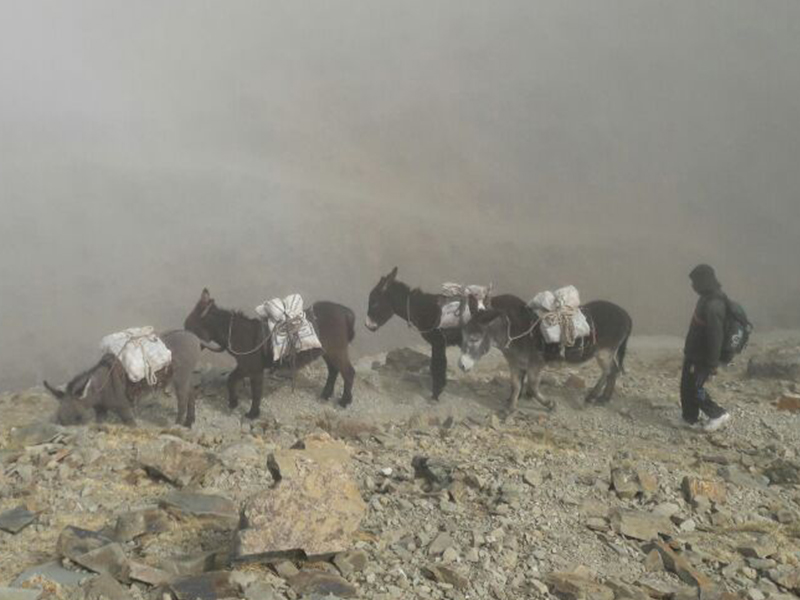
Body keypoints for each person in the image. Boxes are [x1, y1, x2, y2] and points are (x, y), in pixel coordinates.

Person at [681, 264, 731, 432]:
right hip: (693, 354)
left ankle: (717, 414)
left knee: (695, 388)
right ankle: (689, 419)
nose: (693, 286)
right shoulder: (705, 298)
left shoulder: (714, 305)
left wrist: (712, 364)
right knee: (686, 386)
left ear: (704, 281)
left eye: (695, 282)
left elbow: (715, 336)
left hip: (703, 357)